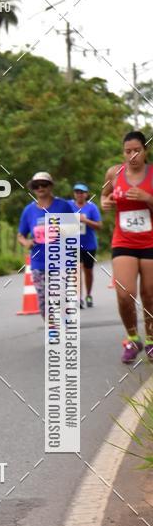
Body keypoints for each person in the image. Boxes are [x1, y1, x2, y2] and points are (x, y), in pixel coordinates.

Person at [101, 131, 153, 363]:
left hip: (150, 242)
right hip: (123, 241)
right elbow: (104, 195)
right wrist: (105, 202)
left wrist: (147, 198)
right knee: (125, 294)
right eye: (128, 151)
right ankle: (133, 338)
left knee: (150, 295)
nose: (132, 155)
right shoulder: (114, 173)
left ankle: (151, 340)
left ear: (145, 151)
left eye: (137, 150)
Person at [17, 172, 75, 319]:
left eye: (44, 184)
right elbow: (20, 235)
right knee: (44, 301)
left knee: (60, 298)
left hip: (61, 261)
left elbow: (75, 229)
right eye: (37, 185)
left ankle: (64, 327)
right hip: (38, 262)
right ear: (33, 188)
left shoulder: (63, 205)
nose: (40, 188)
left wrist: (60, 230)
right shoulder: (29, 211)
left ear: (51, 186)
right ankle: (53, 331)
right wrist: (27, 242)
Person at [69, 183, 102, 308]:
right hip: (72, 244)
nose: (79, 194)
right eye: (77, 192)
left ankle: (88, 295)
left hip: (89, 245)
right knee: (76, 270)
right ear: (74, 194)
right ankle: (78, 298)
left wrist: (85, 220)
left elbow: (99, 226)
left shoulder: (92, 208)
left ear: (86, 194)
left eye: (82, 192)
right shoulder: (69, 205)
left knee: (88, 271)